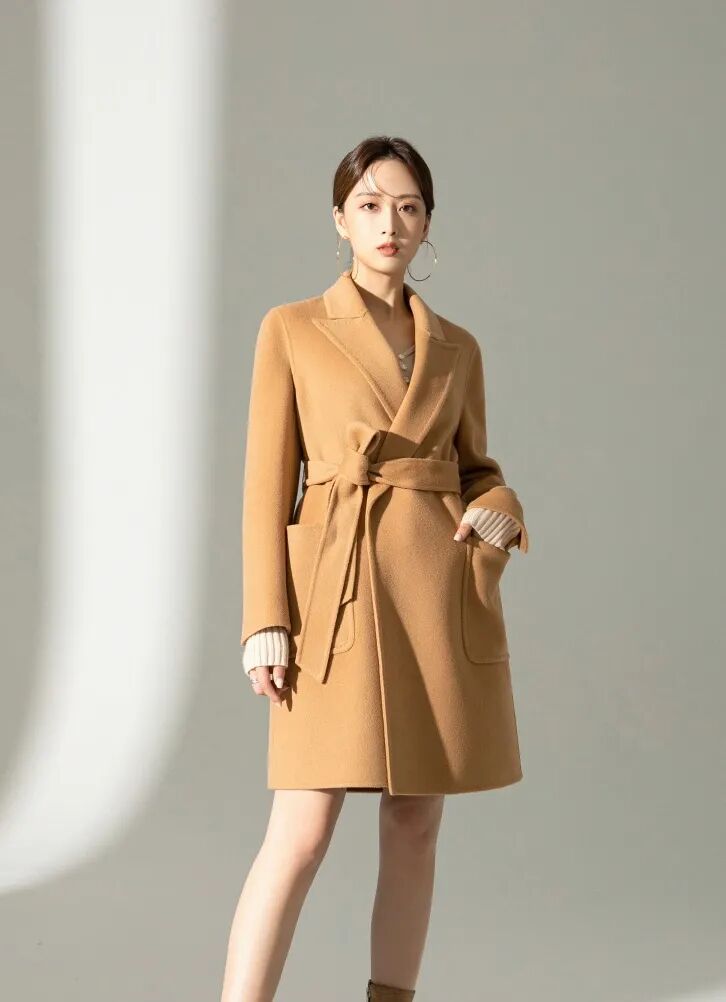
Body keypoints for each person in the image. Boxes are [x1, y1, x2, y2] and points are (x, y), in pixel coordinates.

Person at [220, 136, 529, 1002]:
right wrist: (264, 618)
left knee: (416, 825)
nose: (389, 222)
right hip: (336, 595)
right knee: (302, 830)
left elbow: (477, 468)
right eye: (369, 204)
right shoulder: (291, 328)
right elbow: (265, 487)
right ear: (339, 219)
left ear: (427, 223)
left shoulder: (457, 347)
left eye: (408, 206)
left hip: (432, 594)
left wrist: (502, 509)